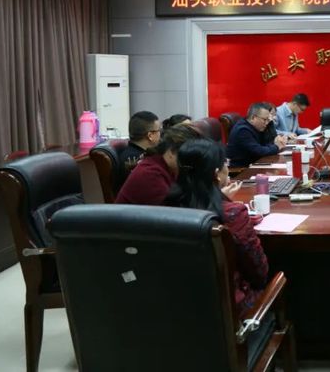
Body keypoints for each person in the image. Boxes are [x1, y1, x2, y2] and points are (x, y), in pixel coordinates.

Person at [166, 139, 269, 316]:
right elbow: (260, 273)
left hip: (180, 308)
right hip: (230, 310)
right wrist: (226, 203)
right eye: (225, 163)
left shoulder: (166, 206)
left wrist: (220, 198)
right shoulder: (233, 214)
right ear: (216, 174)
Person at [115, 125, 201, 205]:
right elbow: (172, 212)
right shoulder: (150, 174)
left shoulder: (164, 164)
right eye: (189, 156)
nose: (192, 162)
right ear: (171, 151)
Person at [226, 103, 287, 167]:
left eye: (268, 120)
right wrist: (277, 146)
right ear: (253, 118)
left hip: (255, 164)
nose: (266, 123)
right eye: (264, 119)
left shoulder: (257, 127)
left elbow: (267, 143)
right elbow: (260, 151)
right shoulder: (243, 130)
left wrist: (270, 123)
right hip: (242, 169)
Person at [118, 111, 161, 177]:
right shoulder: (137, 159)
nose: (160, 134)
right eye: (159, 130)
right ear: (150, 136)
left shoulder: (130, 153)